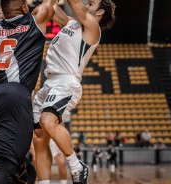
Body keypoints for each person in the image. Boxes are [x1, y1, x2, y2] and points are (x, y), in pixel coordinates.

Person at [32, 0, 116, 183]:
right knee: (38, 137)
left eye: (93, 2)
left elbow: (77, 6)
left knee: (47, 120)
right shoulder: (71, 22)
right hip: (49, 81)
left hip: (66, 81)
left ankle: (77, 166)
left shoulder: (92, 27)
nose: (88, 1)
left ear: (100, 12)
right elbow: (51, 7)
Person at [0, 0, 56, 183]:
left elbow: (0, 12)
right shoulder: (34, 21)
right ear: (23, 8)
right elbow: (49, 3)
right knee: (6, 168)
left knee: (23, 168)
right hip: (14, 98)